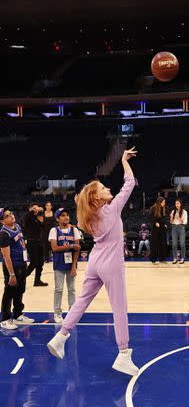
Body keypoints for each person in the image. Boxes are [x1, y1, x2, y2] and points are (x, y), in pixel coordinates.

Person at [47, 148, 139, 376]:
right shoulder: (111, 210)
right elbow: (129, 182)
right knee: (120, 308)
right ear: (97, 198)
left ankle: (61, 336)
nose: (109, 189)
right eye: (104, 188)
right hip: (111, 262)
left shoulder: (87, 216)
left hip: (95, 260)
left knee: (82, 300)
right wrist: (123, 160)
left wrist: (85, 195)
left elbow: (83, 199)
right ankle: (123, 353)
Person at [0, 207, 35, 330]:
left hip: (22, 264)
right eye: (7, 216)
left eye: (11, 214)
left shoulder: (17, 226)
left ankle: (18, 314)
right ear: (2, 222)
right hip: (13, 267)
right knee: (9, 292)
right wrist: (11, 274)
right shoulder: (4, 233)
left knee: (20, 290)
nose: (11, 216)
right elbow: (6, 256)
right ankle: (5, 319)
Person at [49, 208, 81, 324]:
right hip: (59, 264)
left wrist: (74, 266)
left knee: (72, 289)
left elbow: (78, 250)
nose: (66, 217)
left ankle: (72, 312)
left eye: (67, 215)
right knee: (58, 289)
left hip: (71, 264)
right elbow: (55, 248)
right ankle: (57, 313)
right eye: (62, 215)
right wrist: (71, 246)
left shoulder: (74, 230)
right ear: (57, 218)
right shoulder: (54, 230)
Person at [24, 202, 48, 286]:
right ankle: (21, 278)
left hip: (39, 242)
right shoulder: (28, 216)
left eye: (36, 208)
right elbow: (28, 216)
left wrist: (41, 221)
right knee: (34, 262)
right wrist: (34, 210)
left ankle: (37, 280)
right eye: (34, 208)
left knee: (41, 262)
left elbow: (44, 227)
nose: (36, 210)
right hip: (31, 242)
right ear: (30, 209)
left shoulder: (37, 218)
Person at [149, 197, 167, 264]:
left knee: (162, 244)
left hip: (162, 228)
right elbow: (150, 218)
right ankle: (153, 259)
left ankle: (162, 259)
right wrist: (155, 222)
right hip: (155, 229)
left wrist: (165, 224)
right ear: (160, 202)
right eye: (163, 202)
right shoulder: (153, 208)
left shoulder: (163, 208)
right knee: (155, 244)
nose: (164, 203)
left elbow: (164, 218)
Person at [170, 199, 188, 264]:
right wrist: (171, 217)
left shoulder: (184, 212)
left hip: (181, 227)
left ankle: (182, 258)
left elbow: (185, 222)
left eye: (178, 203)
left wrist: (178, 217)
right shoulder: (173, 211)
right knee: (174, 244)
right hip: (174, 227)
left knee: (182, 244)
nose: (177, 205)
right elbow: (171, 222)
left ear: (180, 204)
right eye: (176, 204)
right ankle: (175, 258)